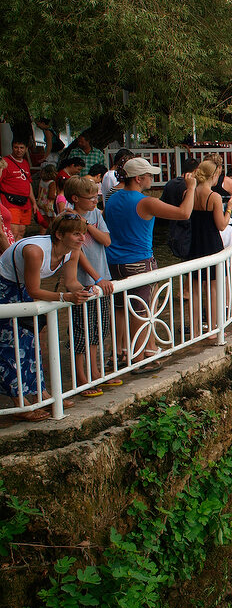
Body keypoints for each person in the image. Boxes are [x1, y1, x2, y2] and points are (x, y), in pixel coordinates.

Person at [0, 214, 113, 421]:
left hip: (21, 287)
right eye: (76, 233)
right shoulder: (34, 251)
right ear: (60, 235)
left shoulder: (72, 250)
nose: (82, 238)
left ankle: (42, 395)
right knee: (11, 346)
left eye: (83, 233)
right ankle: (20, 403)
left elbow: (71, 282)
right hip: (5, 288)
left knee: (32, 343)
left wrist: (86, 291)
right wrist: (65, 297)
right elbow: (35, 290)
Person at [104, 157, 196, 368]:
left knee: (120, 308)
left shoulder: (113, 198)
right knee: (140, 310)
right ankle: (139, 358)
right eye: (149, 176)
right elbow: (184, 213)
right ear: (138, 178)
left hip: (114, 261)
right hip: (138, 261)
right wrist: (190, 188)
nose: (152, 180)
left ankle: (121, 352)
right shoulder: (145, 202)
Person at [64, 176, 119, 395]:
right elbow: (78, 254)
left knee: (98, 328)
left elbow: (106, 241)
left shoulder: (95, 215)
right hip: (82, 281)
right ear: (76, 198)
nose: (95, 201)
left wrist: (86, 224)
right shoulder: (67, 219)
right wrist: (96, 278)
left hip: (101, 278)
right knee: (81, 330)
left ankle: (95, 371)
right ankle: (81, 377)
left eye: (96, 197)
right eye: (90, 198)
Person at [185, 160, 232, 339]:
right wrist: (229, 209)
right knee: (213, 288)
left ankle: (195, 330)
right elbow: (221, 225)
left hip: (194, 244)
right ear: (213, 175)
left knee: (196, 289)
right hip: (211, 244)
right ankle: (212, 328)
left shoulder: (188, 192)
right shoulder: (213, 196)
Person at [162, 157, 201, 260]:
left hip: (172, 228)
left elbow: (163, 203)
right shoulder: (191, 187)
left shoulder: (170, 184)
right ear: (196, 170)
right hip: (187, 228)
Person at [1, 140, 34, 240]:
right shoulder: (4, 162)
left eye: (21, 148)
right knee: (13, 232)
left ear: (26, 149)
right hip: (10, 201)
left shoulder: (25, 163)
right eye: (16, 147)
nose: (18, 150)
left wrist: (34, 202)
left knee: (21, 231)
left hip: (25, 203)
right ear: (12, 148)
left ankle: (16, 254)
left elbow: (28, 184)